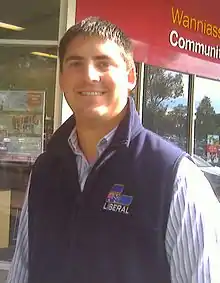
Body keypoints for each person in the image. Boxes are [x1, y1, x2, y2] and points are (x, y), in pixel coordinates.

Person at [7, 17, 220, 283]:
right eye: (75, 63)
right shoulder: (45, 171)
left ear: (130, 77)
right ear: (62, 79)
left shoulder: (173, 176)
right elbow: (23, 271)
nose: (89, 75)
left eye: (103, 63)